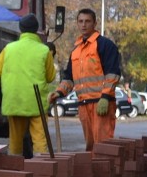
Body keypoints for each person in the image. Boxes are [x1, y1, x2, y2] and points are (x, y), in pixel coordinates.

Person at [47, 8, 121, 150]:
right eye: (80, 21)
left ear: (95, 23)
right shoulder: (76, 50)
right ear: (77, 23)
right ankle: (93, 172)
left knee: (103, 146)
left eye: (87, 21)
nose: (84, 25)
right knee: (90, 145)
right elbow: (69, 77)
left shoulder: (105, 45)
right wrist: (59, 92)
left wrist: (105, 97)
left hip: (101, 103)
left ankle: (104, 172)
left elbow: (113, 74)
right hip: (83, 104)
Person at [0, 13, 56, 155]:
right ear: (36, 29)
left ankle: (15, 173)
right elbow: (51, 77)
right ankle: (42, 171)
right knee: (40, 141)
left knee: (15, 142)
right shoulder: (44, 50)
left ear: (21, 29)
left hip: (14, 100)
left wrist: (5, 82)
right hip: (37, 102)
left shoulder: (9, 48)